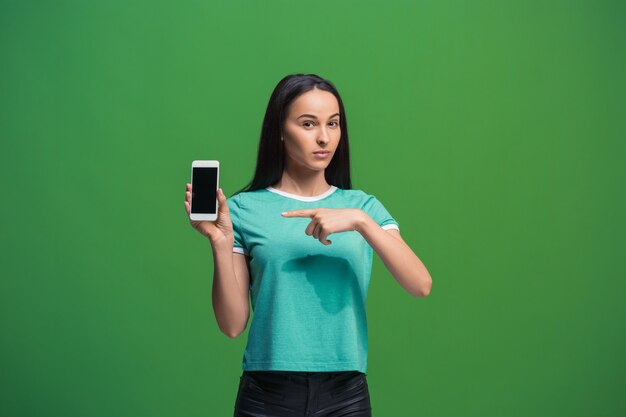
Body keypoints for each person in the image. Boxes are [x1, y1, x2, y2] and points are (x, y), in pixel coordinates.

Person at [184, 74, 432, 417]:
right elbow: (232, 325)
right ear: (281, 131)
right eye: (308, 123)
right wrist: (220, 241)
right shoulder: (243, 210)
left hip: (346, 390)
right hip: (267, 391)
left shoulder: (364, 207)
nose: (323, 137)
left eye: (333, 124)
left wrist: (359, 221)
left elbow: (420, 284)